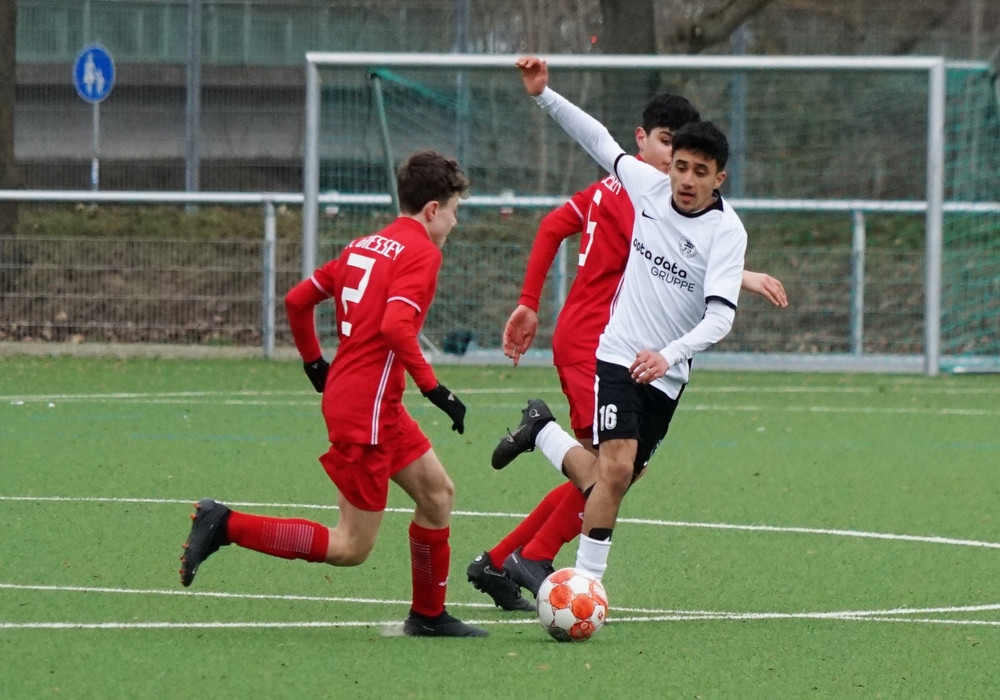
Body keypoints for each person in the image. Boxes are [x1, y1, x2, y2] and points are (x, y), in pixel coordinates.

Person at [466, 88, 786, 610]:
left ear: (718, 178)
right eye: (674, 158)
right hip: (606, 347)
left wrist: (731, 284)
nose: (682, 175)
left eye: (696, 169)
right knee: (611, 471)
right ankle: (561, 573)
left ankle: (521, 511)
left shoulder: (717, 225)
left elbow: (703, 282)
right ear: (650, 146)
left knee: (618, 473)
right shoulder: (638, 186)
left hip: (658, 367)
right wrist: (543, 94)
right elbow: (593, 145)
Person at [179, 149, 487, 638]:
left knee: (437, 494)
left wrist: (314, 362)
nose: (454, 221)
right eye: (454, 211)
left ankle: (428, 616)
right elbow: (395, 327)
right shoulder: (423, 253)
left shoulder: (364, 245)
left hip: (372, 402)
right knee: (350, 547)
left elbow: (297, 300)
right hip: (366, 411)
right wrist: (436, 389)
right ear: (432, 209)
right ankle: (226, 525)